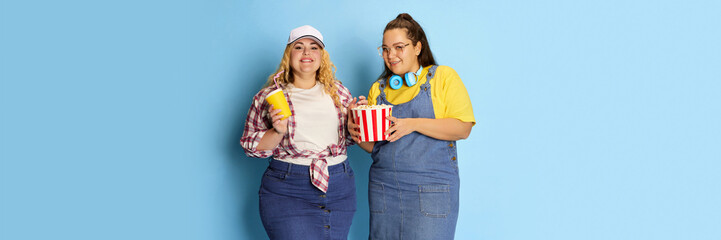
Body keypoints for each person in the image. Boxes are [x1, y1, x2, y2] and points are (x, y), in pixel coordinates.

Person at [349, 14, 475, 239]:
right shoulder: (378, 90)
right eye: (385, 49)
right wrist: (356, 133)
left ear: (417, 47)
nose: (391, 55)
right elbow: (376, 146)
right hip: (384, 190)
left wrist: (413, 124)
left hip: (432, 191)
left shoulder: (442, 77)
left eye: (399, 47)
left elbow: (463, 128)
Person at [241, 25, 362, 240]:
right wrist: (277, 132)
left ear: (322, 56)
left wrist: (360, 117)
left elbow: (351, 138)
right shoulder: (269, 96)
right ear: (289, 55)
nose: (307, 53)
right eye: (299, 47)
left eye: (313, 47)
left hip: (339, 186)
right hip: (288, 189)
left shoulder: (339, 93)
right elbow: (250, 146)